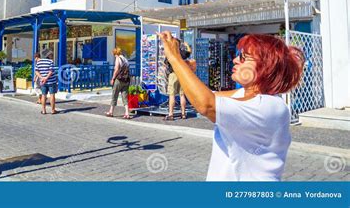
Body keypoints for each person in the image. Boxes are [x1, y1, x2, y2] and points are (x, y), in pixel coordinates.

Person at [158, 32, 304, 181]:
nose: (235, 60)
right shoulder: (245, 94)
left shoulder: (270, 106)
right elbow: (207, 96)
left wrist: (175, 57)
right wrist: (186, 71)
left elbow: (207, 104)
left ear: (266, 66)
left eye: (243, 57)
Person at [164, 41, 196, 120]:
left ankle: (171, 114)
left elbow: (165, 63)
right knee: (182, 95)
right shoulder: (181, 53)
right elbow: (189, 51)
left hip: (173, 74)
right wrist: (187, 44)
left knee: (172, 95)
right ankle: (183, 114)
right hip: (182, 74)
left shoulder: (170, 53)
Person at [105, 48, 131, 119]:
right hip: (126, 80)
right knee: (125, 97)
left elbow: (116, 69)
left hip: (119, 80)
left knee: (114, 95)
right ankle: (127, 113)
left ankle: (111, 112)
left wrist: (113, 78)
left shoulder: (118, 59)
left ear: (115, 53)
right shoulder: (125, 60)